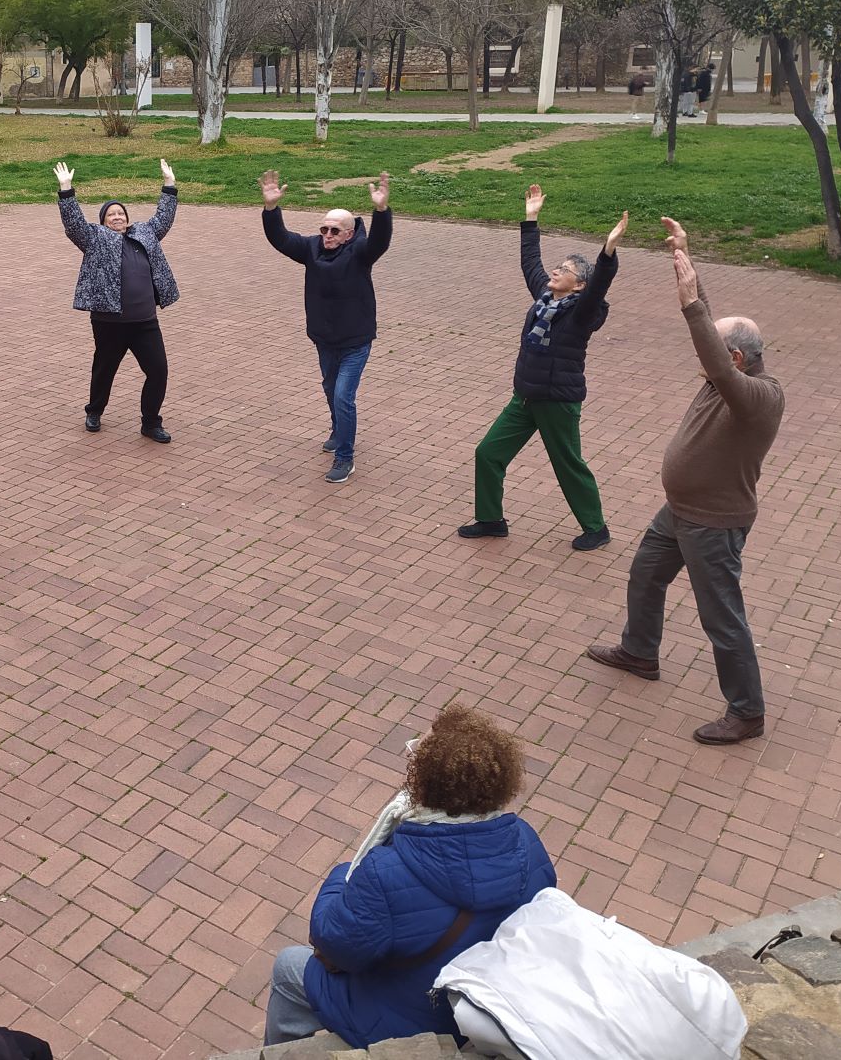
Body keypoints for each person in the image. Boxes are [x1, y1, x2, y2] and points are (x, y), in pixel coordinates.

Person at [585, 217, 785, 745]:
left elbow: (715, 356)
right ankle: (639, 651)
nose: (703, 361)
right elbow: (716, 340)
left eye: (719, 357)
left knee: (722, 618)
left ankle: (747, 711)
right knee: (645, 576)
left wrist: (690, 306)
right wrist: (687, 262)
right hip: (679, 511)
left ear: (737, 360)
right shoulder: (734, 372)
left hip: (713, 525)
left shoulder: (758, 397)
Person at [262, 703, 556, 1049]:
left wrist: (342, 875)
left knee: (287, 967)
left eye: (417, 752)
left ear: (425, 778)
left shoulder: (385, 872)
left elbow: (334, 945)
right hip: (478, 1012)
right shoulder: (526, 841)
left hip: (407, 1017)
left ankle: (277, 1053)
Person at [459, 184, 626, 550]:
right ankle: (490, 520)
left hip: (557, 401)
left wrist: (608, 250)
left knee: (568, 465)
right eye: (558, 266)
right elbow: (530, 262)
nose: (554, 271)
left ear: (579, 284)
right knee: (488, 453)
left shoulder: (583, 312)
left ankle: (596, 528)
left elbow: (599, 287)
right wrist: (530, 218)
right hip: (526, 396)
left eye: (564, 270)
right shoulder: (545, 298)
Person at [260, 169, 392, 483]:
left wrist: (382, 211)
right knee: (330, 389)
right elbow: (281, 239)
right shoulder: (311, 249)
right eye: (324, 229)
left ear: (348, 233)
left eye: (335, 231)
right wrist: (270, 209)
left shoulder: (360, 253)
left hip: (355, 341)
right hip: (324, 338)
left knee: (344, 395)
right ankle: (338, 427)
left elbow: (379, 243)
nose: (328, 235)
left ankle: (345, 458)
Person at [53, 158, 180, 442]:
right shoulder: (95, 238)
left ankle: (150, 423)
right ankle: (94, 410)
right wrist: (66, 191)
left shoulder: (145, 233)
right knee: (104, 370)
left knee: (158, 371)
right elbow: (74, 225)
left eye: (120, 213)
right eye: (110, 214)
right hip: (109, 322)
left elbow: (163, 217)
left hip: (146, 322)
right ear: (103, 222)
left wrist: (169, 185)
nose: (117, 217)